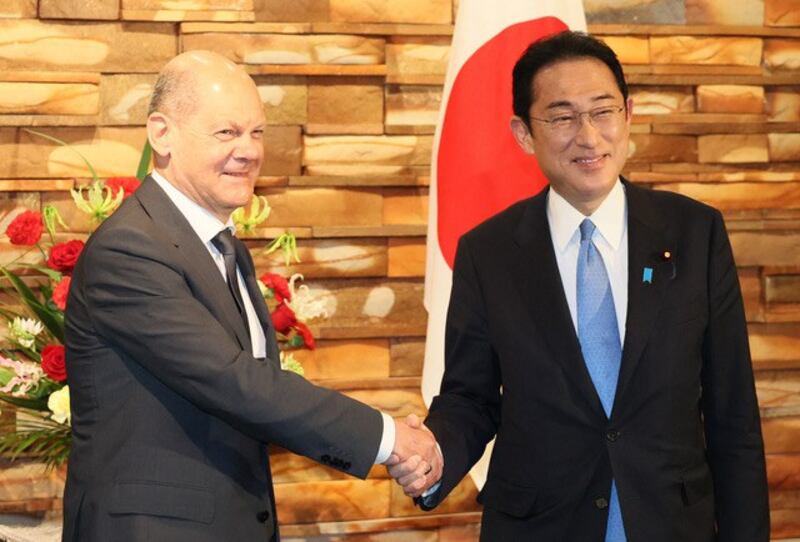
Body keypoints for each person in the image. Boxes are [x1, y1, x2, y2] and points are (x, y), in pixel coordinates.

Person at [389, 31, 769, 541]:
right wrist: (435, 453)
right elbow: (470, 397)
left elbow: (732, 412)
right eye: (563, 117)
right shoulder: (489, 251)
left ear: (628, 115)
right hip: (540, 526)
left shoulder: (695, 234)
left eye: (603, 111)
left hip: (671, 523)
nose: (588, 136)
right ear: (524, 133)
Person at [63, 50, 440, 542]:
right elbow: (234, 382)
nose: (248, 150)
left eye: (257, 132)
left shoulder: (224, 246)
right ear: (162, 134)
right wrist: (390, 439)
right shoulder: (130, 248)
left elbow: (253, 391)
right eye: (227, 132)